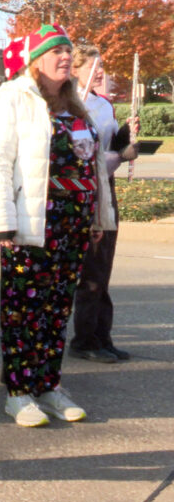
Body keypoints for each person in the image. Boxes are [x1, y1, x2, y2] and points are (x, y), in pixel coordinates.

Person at [0, 24, 116, 427]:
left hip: (73, 225)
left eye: (68, 52)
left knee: (57, 309)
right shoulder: (14, 97)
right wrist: (3, 223)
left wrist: (96, 217)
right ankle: (19, 392)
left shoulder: (78, 105)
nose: (65, 58)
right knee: (24, 308)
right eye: (56, 51)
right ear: (36, 59)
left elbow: (92, 165)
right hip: (32, 222)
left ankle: (49, 385)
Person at [69, 45, 138, 363]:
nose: (100, 71)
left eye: (102, 65)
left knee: (104, 264)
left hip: (105, 188)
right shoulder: (70, 105)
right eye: (92, 65)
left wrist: (125, 137)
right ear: (75, 69)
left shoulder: (104, 105)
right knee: (91, 267)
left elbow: (110, 148)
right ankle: (84, 339)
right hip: (84, 189)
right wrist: (117, 156)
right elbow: (86, 159)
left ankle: (101, 335)